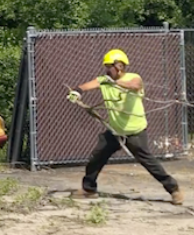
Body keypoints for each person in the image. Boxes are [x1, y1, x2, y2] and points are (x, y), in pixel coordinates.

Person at [67, 49, 184, 205]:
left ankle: (174, 189)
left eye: (109, 66)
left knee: (149, 162)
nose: (106, 70)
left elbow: (134, 85)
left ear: (119, 66)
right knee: (96, 158)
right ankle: (89, 189)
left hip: (135, 132)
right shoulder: (104, 79)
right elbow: (87, 85)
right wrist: (76, 92)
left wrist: (114, 83)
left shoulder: (134, 77)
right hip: (115, 131)